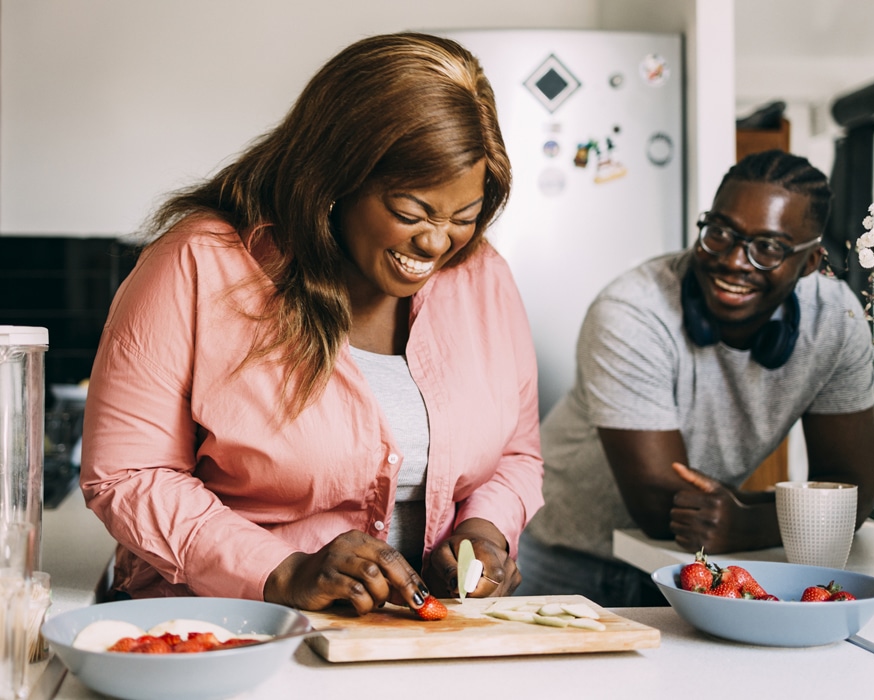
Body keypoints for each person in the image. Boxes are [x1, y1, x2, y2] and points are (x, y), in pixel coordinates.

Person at [80, 32, 544, 616]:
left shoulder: (483, 277)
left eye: (463, 218)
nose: (435, 242)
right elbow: (127, 475)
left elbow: (517, 455)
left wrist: (486, 531)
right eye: (410, 212)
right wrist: (281, 571)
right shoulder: (197, 264)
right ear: (335, 178)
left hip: (414, 640)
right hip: (225, 631)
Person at [517, 150, 874, 607]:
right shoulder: (633, 309)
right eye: (720, 233)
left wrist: (745, 521)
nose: (734, 261)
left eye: (768, 247)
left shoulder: (838, 321)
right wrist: (774, 518)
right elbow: (660, 510)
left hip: (694, 567)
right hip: (561, 557)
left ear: (810, 264)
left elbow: (852, 496)